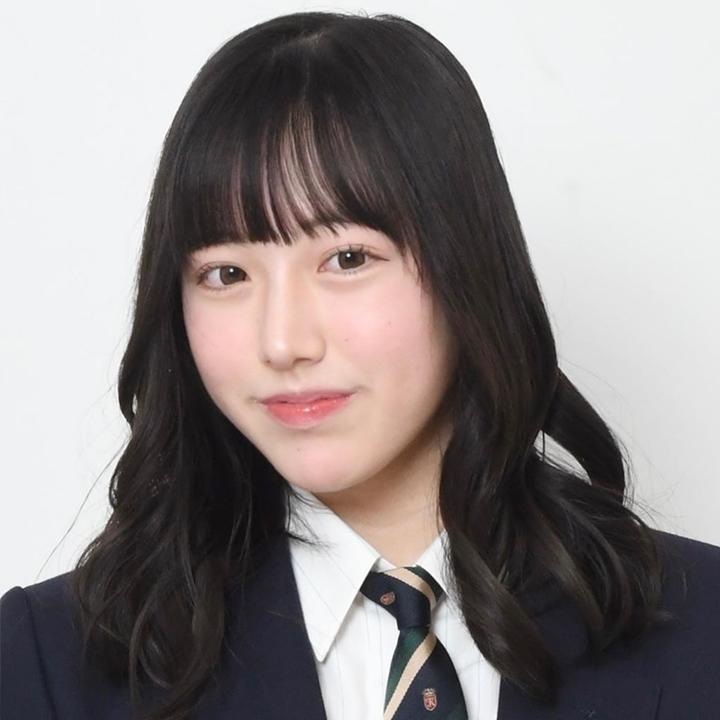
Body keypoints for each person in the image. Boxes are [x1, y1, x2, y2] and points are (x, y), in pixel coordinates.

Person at [1, 10, 719, 720]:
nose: (282, 342)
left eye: (347, 259)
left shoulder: (703, 630)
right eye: (226, 274)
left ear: (467, 266)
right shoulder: (44, 663)